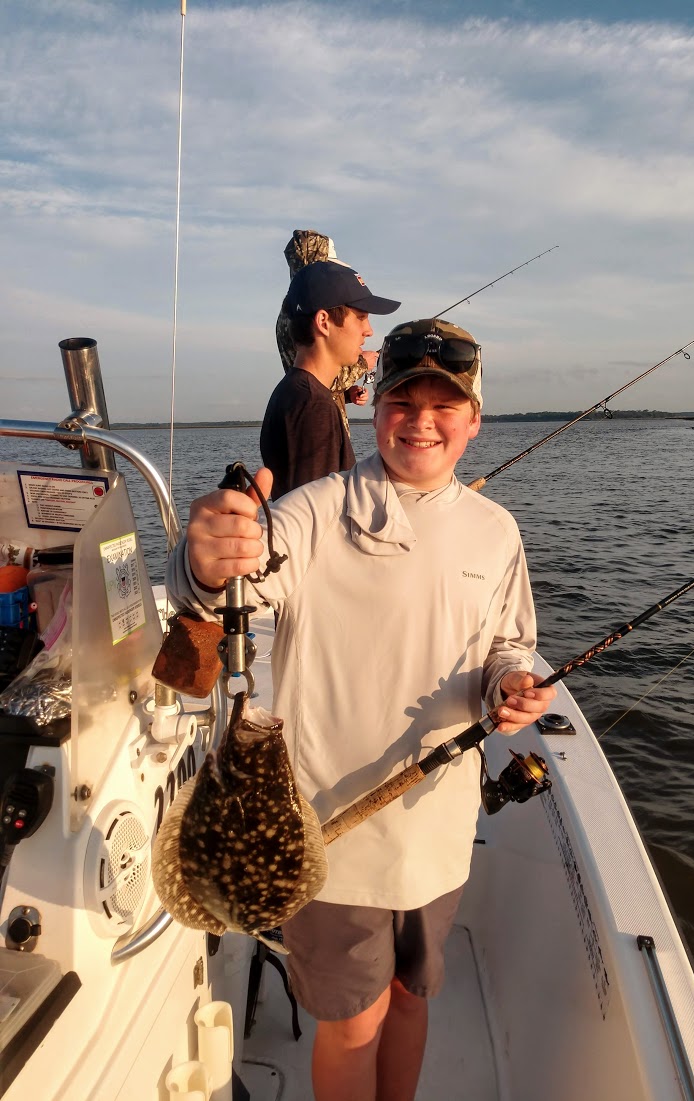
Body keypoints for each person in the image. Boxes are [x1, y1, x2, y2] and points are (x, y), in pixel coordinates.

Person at [167, 317, 557, 1101]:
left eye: (444, 405)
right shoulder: (312, 513)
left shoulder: (495, 531)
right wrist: (204, 559)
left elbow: (508, 644)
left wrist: (510, 685)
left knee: (412, 997)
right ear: (373, 411)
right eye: (402, 401)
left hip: (438, 831)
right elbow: (220, 591)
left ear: (474, 420)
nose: (421, 421)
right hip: (323, 834)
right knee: (353, 1021)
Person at [260, 259, 400, 499]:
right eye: (361, 317)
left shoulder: (294, 392)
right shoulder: (314, 405)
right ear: (323, 322)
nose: (369, 330)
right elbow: (316, 514)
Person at [275, 229, 380, 436]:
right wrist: (363, 364)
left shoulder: (293, 308)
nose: (368, 331)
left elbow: (318, 383)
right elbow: (316, 376)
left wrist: (347, 395)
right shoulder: (301, 313)